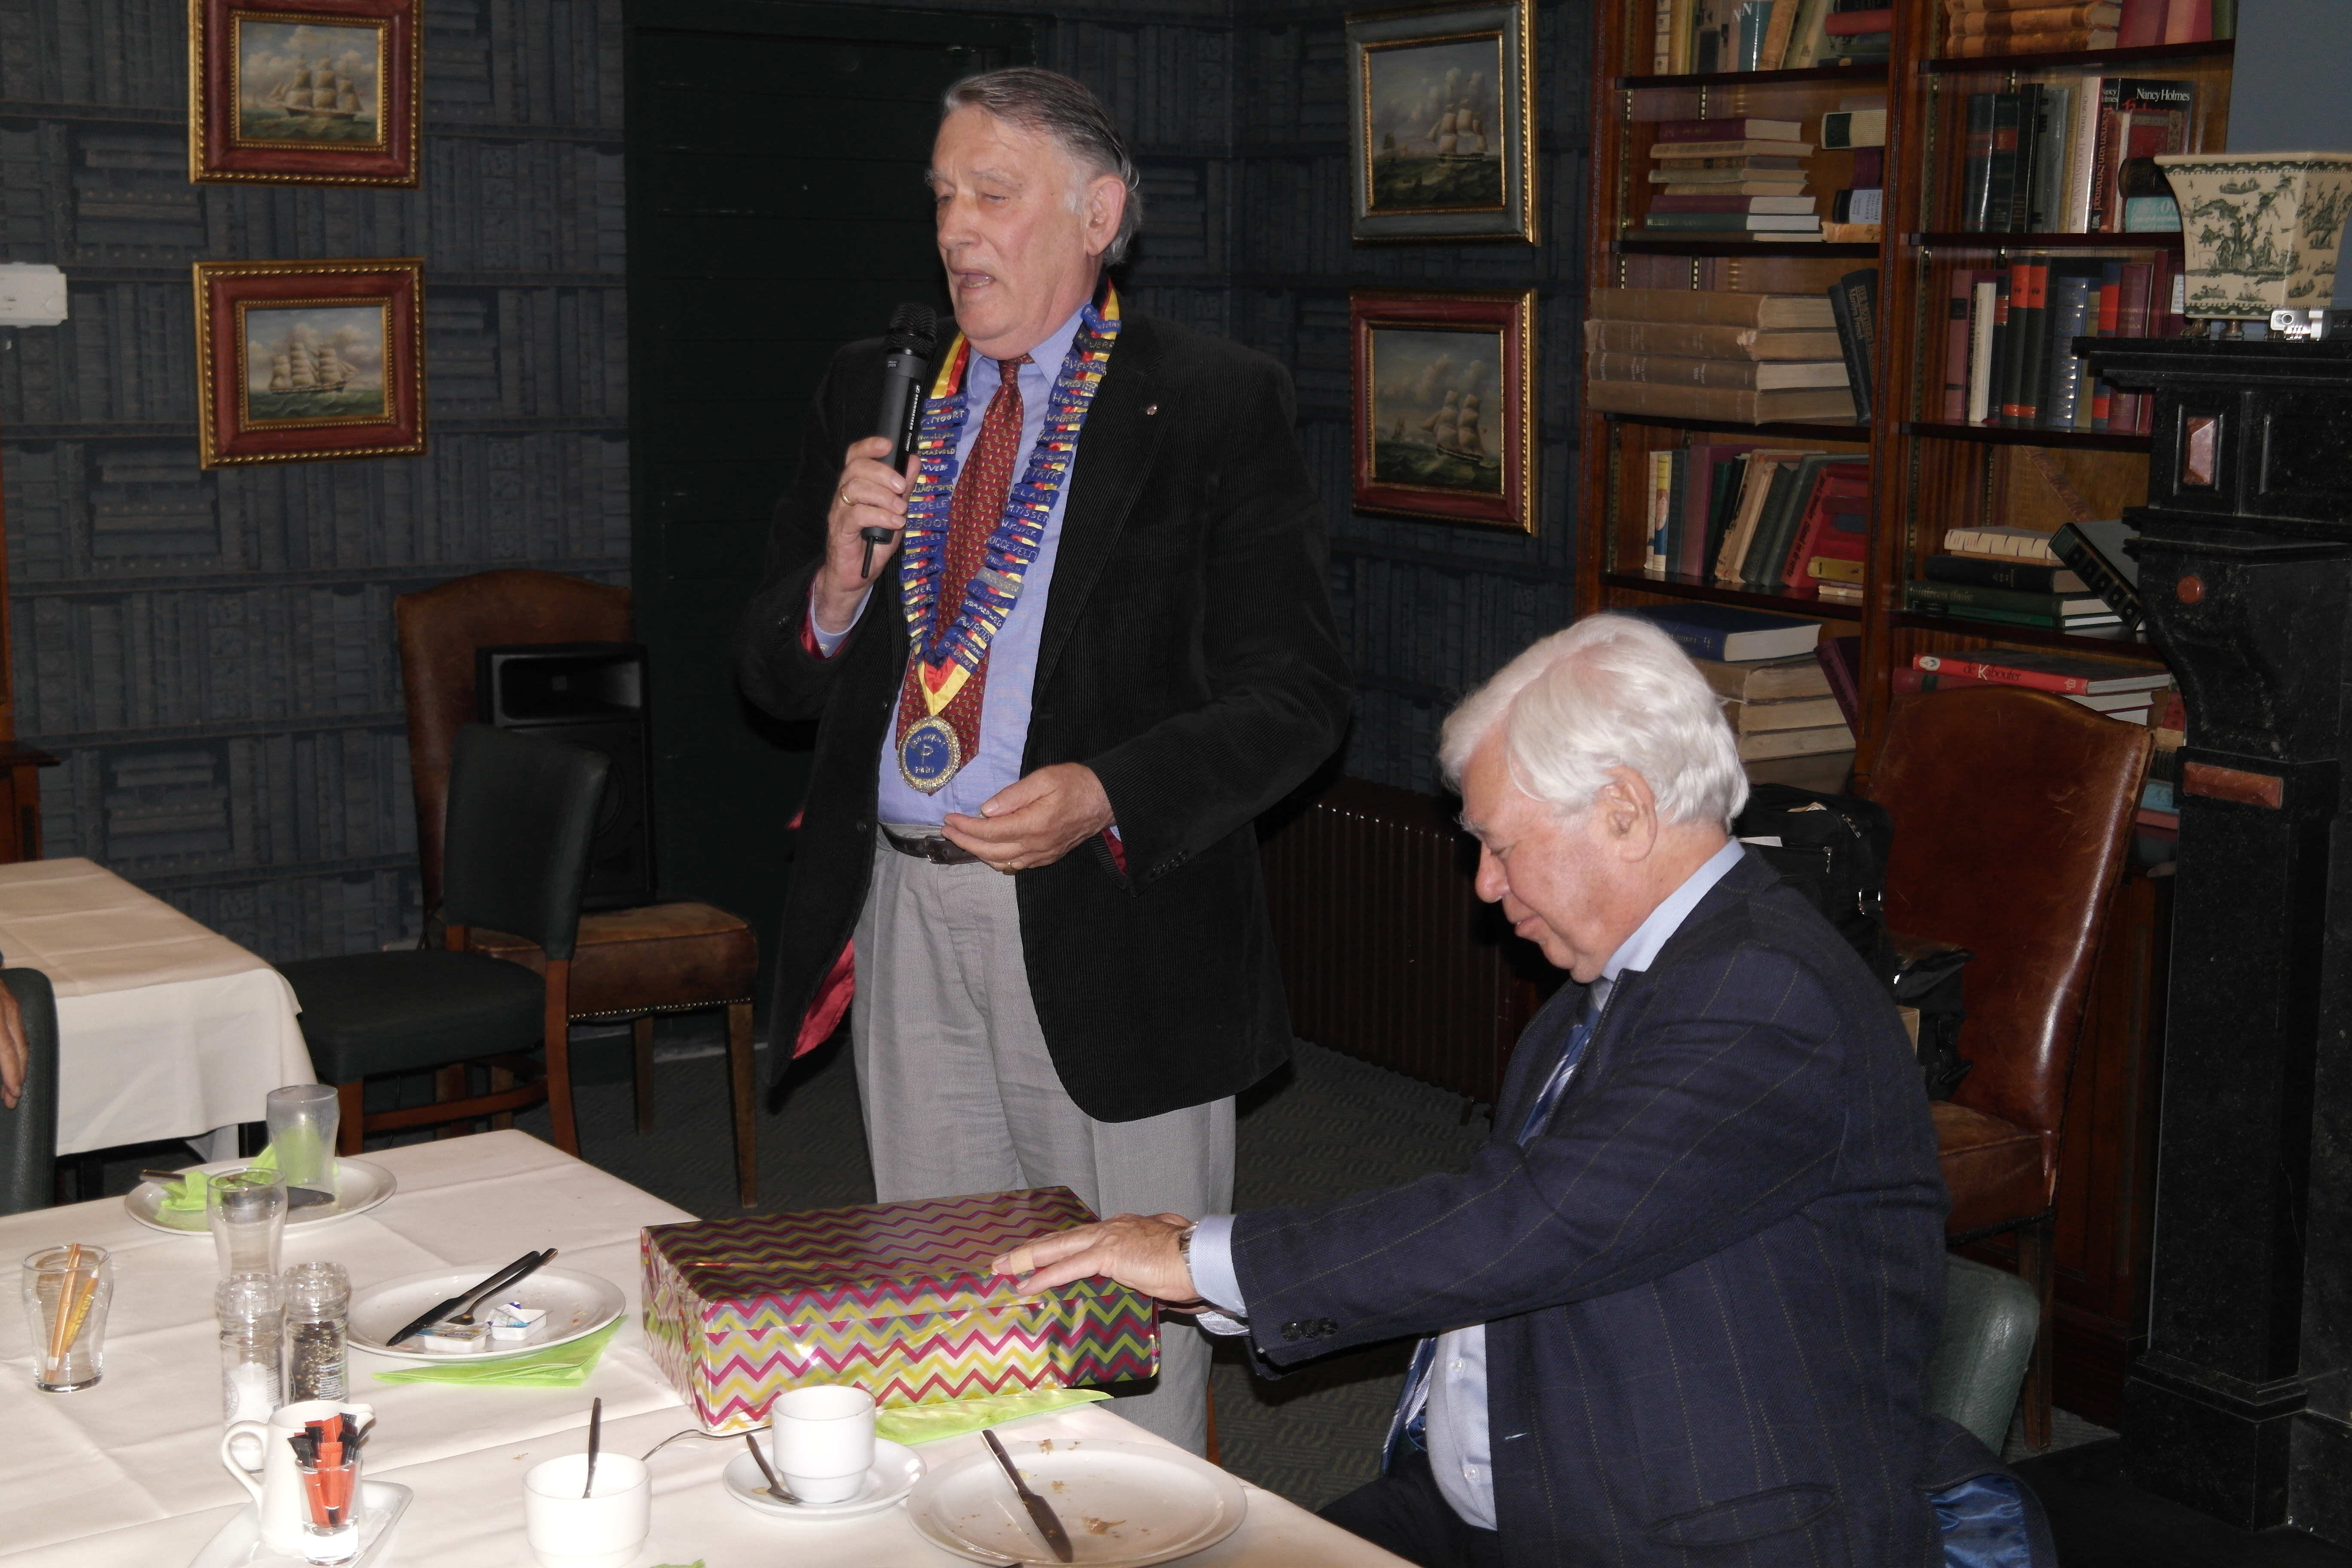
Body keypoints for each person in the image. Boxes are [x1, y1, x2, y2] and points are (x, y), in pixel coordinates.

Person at [995, 614, 2053, 1566]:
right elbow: (1524, 1237)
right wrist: (1219, 1279)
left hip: (1691, 1529)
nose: (1486, 885)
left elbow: (1537, 1223)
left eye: (1501, 846)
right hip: (1525, 1484)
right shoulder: (1619, 985)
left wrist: (1201, 1258)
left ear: (1626, 812)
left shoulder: (1766, 996)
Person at [733, 67, 1352, 1456]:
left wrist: (1108, 791)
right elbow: (771, 673)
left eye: (994, 195)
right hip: (906, 910)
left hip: (1115, 919)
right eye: (944, 197)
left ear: (1099, 215)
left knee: (1123, 1337)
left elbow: (1300, 696)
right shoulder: (877, 388)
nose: (957, 228)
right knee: (942, 1320)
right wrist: (832, 590)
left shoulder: (1210, 401)